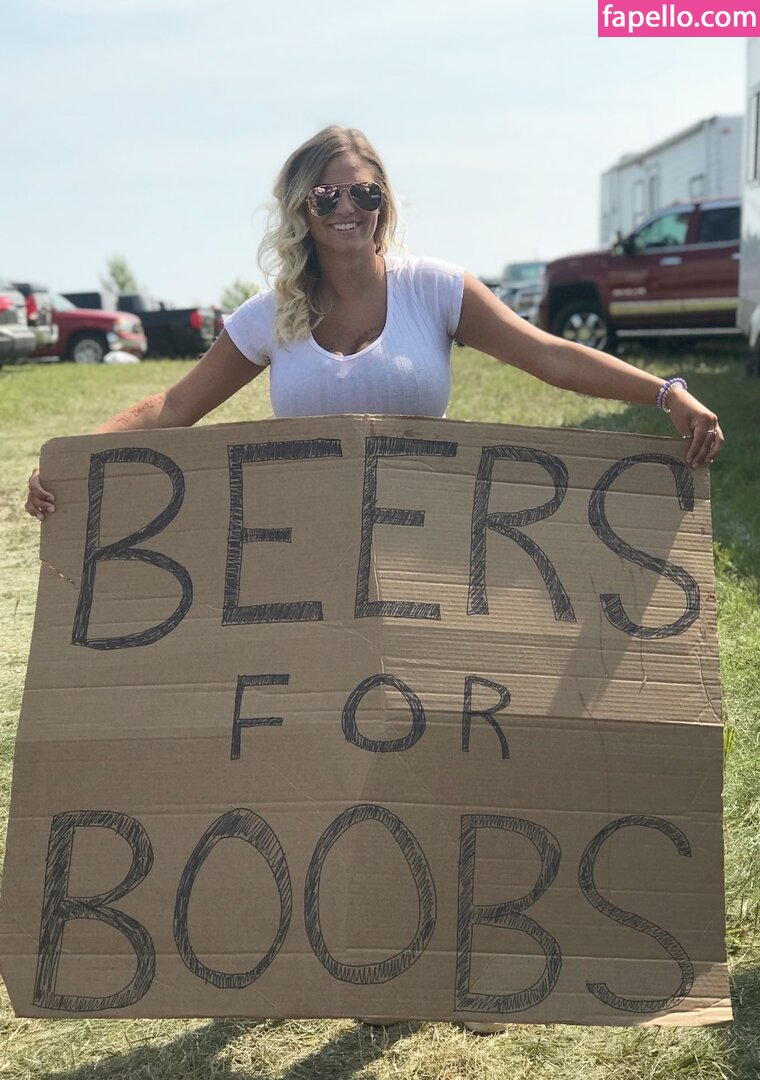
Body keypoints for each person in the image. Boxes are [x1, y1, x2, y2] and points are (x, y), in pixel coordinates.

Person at [24, 125, 723, 1033]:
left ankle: (461, 963)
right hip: (308, 588)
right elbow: (176, 405)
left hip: (438, 576)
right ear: (302, 210)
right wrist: (74, 461)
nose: (349, 208)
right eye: (329, 195)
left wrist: (664, 392)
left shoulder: (435, 289)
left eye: (365, 192)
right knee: (318, 763)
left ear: (385, 201)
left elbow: (546, 355)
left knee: (445, 757)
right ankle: (343, 956)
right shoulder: (274, 314)